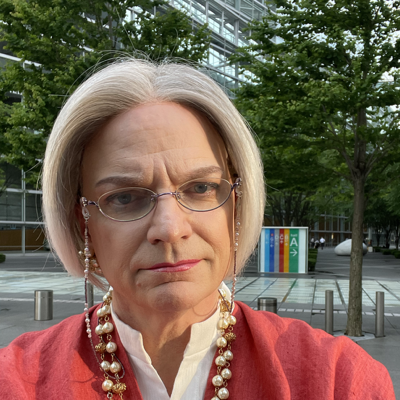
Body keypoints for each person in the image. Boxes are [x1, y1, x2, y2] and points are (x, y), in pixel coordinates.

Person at [0, 59, 395, 400]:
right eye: (125, 197)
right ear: (80, 221)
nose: (170, 228)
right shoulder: (17, 381)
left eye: (201, 188)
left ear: (236, 205)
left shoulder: (337, 380)